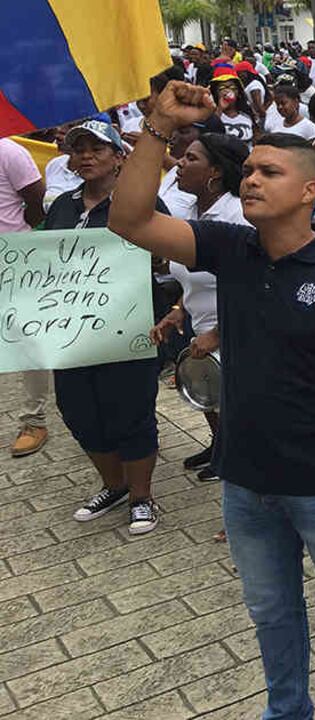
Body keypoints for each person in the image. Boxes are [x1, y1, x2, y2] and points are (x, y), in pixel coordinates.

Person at [110, 83, 315, 719]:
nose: (250, 181)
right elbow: (128, 219)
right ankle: (286, 711)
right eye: (246, 171)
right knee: (271, 614)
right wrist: (159, 126)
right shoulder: (231, 249)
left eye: (269, 172)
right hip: (245, 482)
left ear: (309, 191)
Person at [46, 121, 166, 535]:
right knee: (78, 410)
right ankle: (113, 486)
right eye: (78, 148)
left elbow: (169, 261)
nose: (86, 156)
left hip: (126, 328)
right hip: (69, 333)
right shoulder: (61, 205)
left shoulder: (142, 203)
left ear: (119, 156)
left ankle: (141, 496)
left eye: (97, 148)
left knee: (130, 412)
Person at [153, 132, 252, 484]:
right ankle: (219, 445)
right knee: (211, 395)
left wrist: (219, 334)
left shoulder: (237, 215)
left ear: (215, 172)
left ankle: (242, 477)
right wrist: (180, 309)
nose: (179, 162)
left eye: (191, 158)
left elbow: (255, 284)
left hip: (239, 330)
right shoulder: (195, 211)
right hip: (202, 324)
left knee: (242, 412)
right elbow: (196, 275)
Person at [0, 138, 49, 458]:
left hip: (14, 259)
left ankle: (35, 419)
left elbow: (35, 196)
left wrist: (22, 232)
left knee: (27, 338)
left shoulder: (8, 151)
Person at [210, 66, 255, 143]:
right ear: (216, 93)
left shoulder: (247, 115)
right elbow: (209, 132)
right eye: (222, 88)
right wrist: (220, 109)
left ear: (239, 93)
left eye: (232, 87)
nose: (228, 91)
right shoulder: (210, 115)